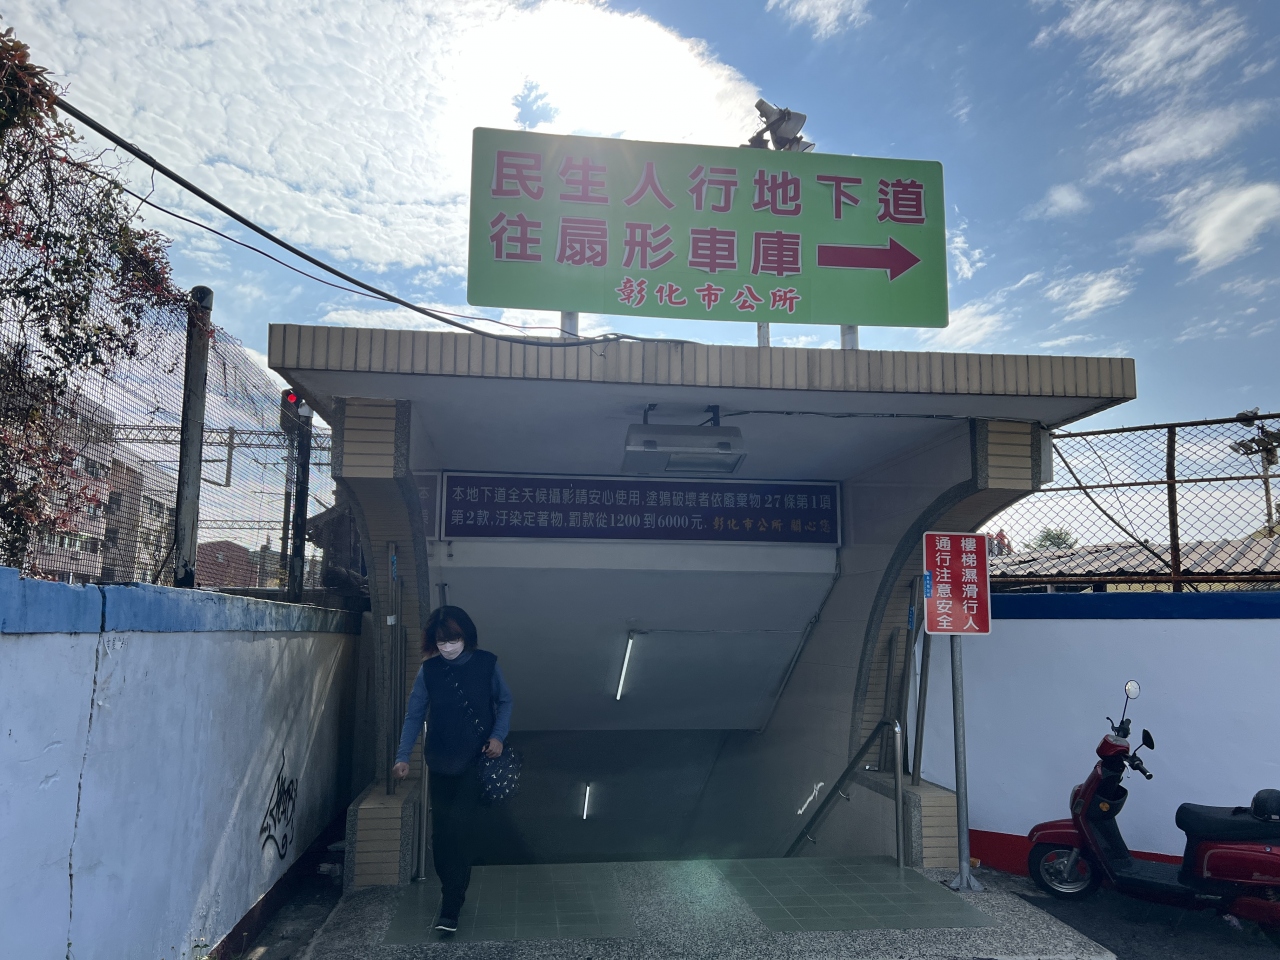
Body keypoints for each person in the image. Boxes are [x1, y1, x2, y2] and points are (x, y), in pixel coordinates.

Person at [392, 605, 513, 933]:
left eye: (453, 639)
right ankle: (452, 888)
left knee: (459, 828)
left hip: (476, 759)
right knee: (442, 833)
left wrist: (498, 736)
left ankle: (451, 902)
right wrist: (403, 757)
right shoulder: (429, 671)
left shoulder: (487, 663)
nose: (447, 646)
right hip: (440, 761)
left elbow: (505, 701)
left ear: (466, 636)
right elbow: (414, 714)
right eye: (441, 641)